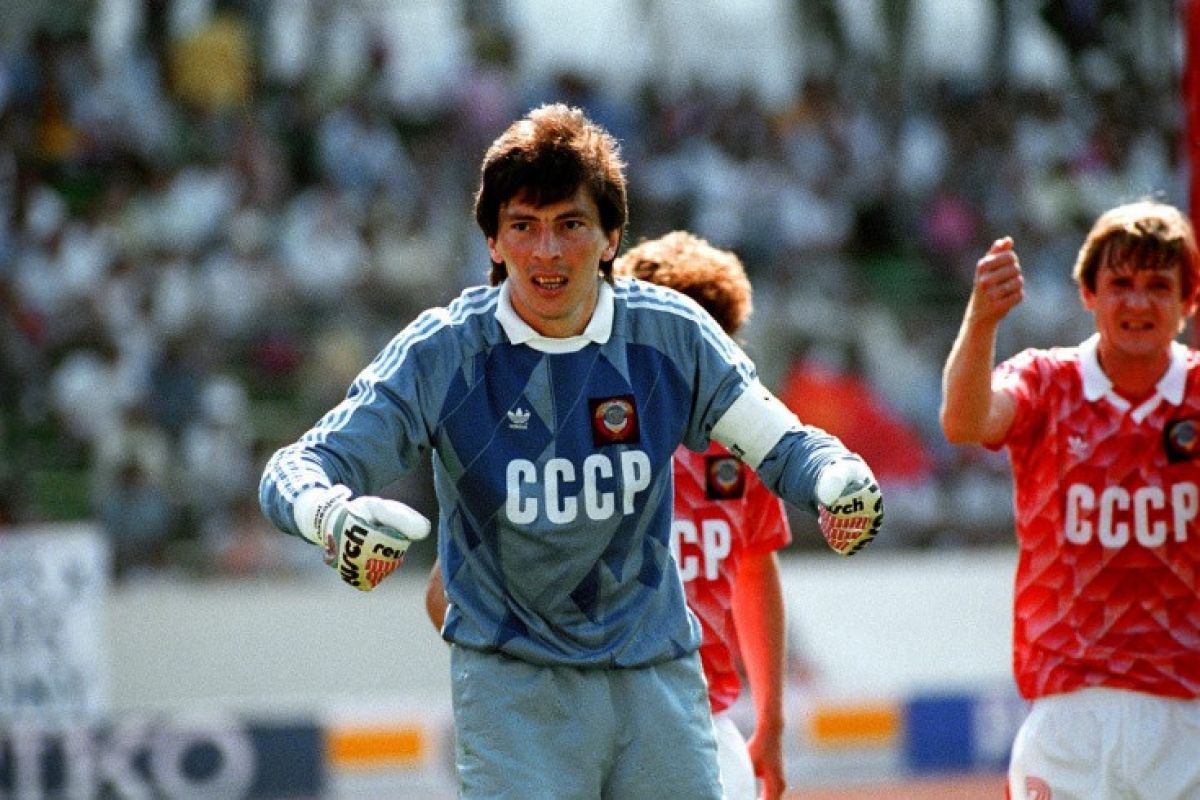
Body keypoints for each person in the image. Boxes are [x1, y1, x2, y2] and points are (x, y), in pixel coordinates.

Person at [259, 103, 883, 799]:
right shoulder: (445, 354)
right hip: (515, 696)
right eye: (523, 226)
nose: (546, 252)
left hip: (656, 680)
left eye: (570, 225)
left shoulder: (669, 336)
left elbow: (783, 444)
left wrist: (835, 475)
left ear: (611, 237)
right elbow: (296, 468)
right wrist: (330, 517)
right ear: (493, 241)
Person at [426, 230, 792, 799]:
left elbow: (754, 573)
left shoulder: (746, 452)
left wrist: (769, 720)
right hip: (575, 720)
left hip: (693, 717)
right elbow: (445, 591)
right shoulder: (565, 443)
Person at [940, 199, 1200, 800]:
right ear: (1088, 294)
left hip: (1188, 712)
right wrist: (981, 320)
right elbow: (964, 421)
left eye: (1159, 286)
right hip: (1068, 720)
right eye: (1120, 284)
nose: (1138, 303)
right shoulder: (1046, 381)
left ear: (1188, 302)